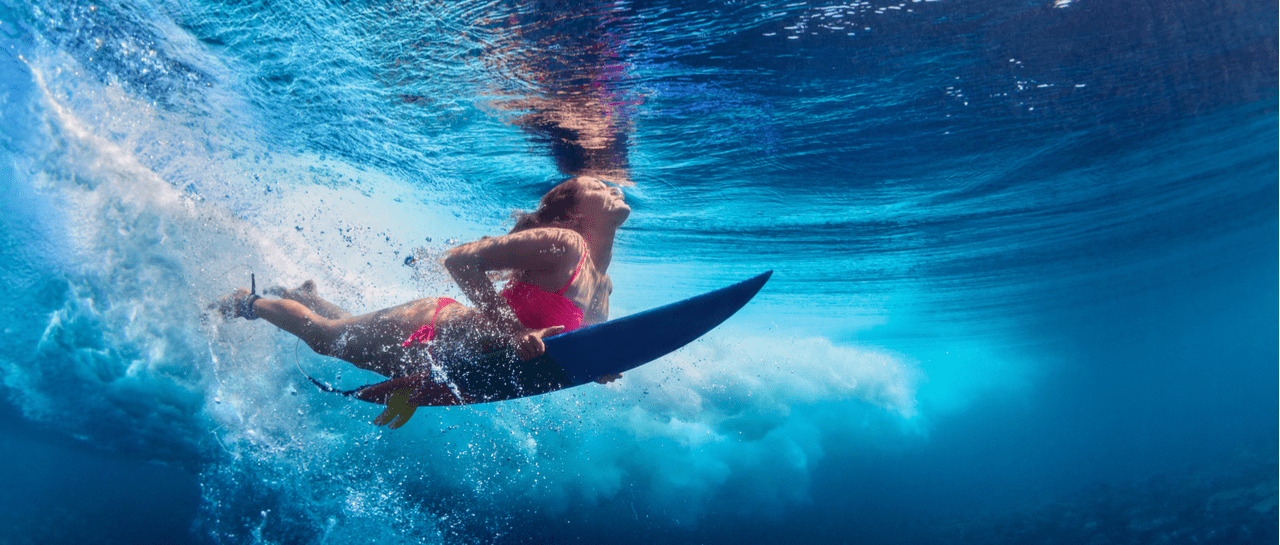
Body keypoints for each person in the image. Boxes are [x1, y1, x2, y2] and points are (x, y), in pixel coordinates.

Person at [211, 176, 630, 423]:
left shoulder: (603, 287)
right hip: (430, 330)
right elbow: (460, 261)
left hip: (449, 362)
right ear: (573, 214)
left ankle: (308, 296)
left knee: (346, 337)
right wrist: (515, 330)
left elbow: (559, 348)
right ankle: (247, 302)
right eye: (597, 186)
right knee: (325, 339)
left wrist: (594, 369)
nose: (612, 187)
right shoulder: (565, 243)